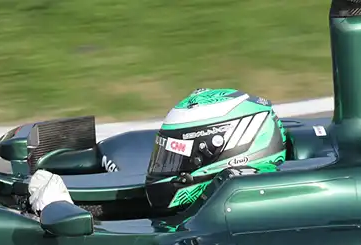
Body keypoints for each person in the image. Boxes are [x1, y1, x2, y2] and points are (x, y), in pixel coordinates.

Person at [29, 88, 289, 214]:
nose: (168, 166)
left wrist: (58, 209)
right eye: (167, 156)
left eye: (180, 157)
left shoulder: (247, 214)